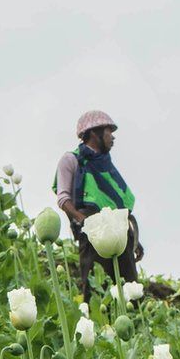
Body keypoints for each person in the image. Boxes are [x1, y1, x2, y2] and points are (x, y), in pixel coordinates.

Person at [57, 110, 142, 300]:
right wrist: (84, 221)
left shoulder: (107, 167)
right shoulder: (72, 160)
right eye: (108, 132)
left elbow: (118, 207)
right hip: (93, 232)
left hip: (120, 233)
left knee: (131, 291)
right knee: (97, 290)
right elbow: (63, 198)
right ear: (94, 133)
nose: (112, 137)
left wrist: (134, 240)